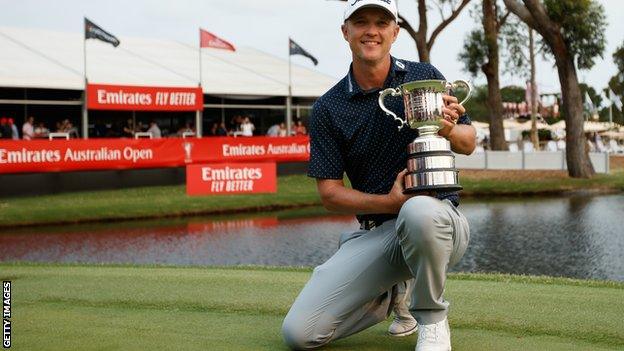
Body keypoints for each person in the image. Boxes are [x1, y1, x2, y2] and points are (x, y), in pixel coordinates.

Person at [281, 1, 476, 350]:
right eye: (361, 22)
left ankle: (432, 320)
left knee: (417, 211)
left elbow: (469, 141)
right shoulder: (328, 107)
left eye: (382, 22)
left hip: (440, 224)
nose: (372, 30)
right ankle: (386, 295)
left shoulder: (421, 76)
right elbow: (329, 194)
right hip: (377, 235)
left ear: (395, 31)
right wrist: (387, 202)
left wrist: (446, 128)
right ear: (346, 32)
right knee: (300, 334)